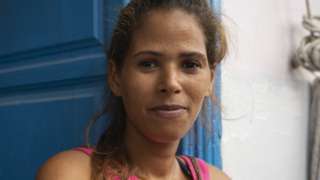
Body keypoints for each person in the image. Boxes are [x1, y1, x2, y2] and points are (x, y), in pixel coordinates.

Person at [36, 0, 230, 179]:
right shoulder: (72, 174)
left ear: (211, 79)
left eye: (190, 64)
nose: (171, 83)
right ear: (116, 77)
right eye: (148, 64)